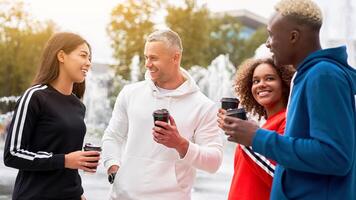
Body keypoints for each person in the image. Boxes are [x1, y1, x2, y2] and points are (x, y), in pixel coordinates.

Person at [218, 0, 356, 199]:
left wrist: (256, 137)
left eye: (271, 34)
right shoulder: (309, 76)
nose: (267, 43)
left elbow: (335, 156)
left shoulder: (323, 75)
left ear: (293, 36)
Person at [101, 29, 223, 200]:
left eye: (154, 58)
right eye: (146, 57)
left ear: (175, 57)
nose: (147, 64)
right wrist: (112, 165)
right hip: (121, 196)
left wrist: (181, 144)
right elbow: (112, 136)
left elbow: (214, 162)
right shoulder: (130, 93)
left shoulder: (203, 106)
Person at [3, 32, 100, 200]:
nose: (88, 63)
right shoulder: (35, 96)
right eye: (83, 55)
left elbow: (69, 158)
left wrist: (79, 192)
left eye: (90, 58)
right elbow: (13, 154)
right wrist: (64, 160)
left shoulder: (78, 105)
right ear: (61, 56)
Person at [221, 58, 294, 200]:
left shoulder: (288, 121)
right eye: (256, 81)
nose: (261, 85)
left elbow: (279, 178)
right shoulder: (262, 126)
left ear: (284, 84)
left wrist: (245, 140)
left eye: (270, 78)